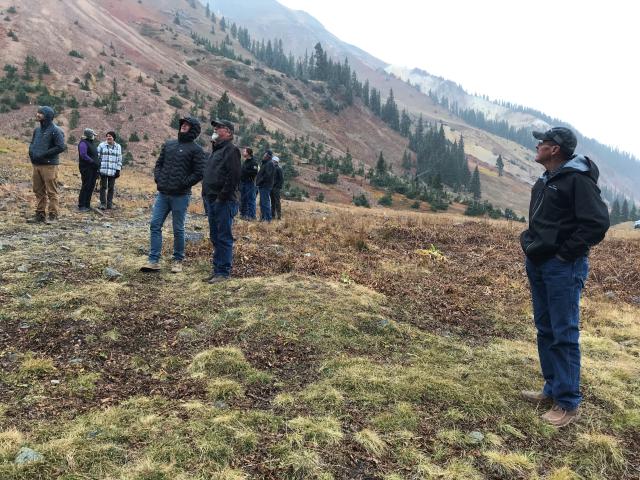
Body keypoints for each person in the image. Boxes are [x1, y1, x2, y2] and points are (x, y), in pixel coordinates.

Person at [520, 127, 609, 427]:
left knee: (564, 333)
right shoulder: (544, 180)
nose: (538, 145)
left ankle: (568, 403)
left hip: (563, 268)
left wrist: (564, 254)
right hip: (539, 264)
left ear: (555, 149)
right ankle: (552, 388)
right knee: (545, 329)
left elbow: (597, 223)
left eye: (542, 142)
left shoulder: (576, 180)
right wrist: (529, 244)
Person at [141, 117, 205, 273]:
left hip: (181, 196)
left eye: (187, 125)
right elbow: (159, 164)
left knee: (178, 229)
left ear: (193, 130)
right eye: (182, 124)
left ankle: (178, 260)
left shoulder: (196, 150)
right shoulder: (169, 144)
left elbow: (199, 173)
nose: (183, 126)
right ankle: (153, 260)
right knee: (155, 225)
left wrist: (182, 183)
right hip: (163, 194)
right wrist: (158, 178)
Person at [202, 119, 241, 283]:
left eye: (220, 127)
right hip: (211, 199)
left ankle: (223, 273)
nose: (216, 129)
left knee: (224, 236)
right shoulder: (217, 150)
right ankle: (217, 270)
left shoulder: (231, 150)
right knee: (215, 235)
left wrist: (221, 198)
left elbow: (233, 177)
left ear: (229, 132)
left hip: (223, 201)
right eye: (215, 127)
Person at [27, 106, 65, 223]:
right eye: (38, 112)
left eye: (41, 113)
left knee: (51, 191)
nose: (38, 115)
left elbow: (60, 147)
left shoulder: (55, 130)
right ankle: (40, 215)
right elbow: (32, 143)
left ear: (48, 116)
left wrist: (43, 155)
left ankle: (53, 216)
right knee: (38, 190)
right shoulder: (37, 130)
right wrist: (31, 153)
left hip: (49, 165)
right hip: (36, 165)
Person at [97, 131, 123, 210]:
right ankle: (103, 203)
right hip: (103, 170)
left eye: (110, 136)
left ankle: (109, 204)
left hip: (113, 171)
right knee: (103, 187)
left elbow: (119, 159)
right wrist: (97, 169)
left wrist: (118, 170)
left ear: (114, 138)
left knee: (111, 187)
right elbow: (97, 157)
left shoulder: (118, 146)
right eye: (107, 136)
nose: (108, 137)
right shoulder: (101, 145)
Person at [77, 128, 100, 212]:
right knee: (86, 185)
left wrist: (97, 164)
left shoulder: (91, 143)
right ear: (89, 135)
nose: (94, 136)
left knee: (91, 186)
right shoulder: (83, 143)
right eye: (93, 135)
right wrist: (92, 162)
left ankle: (87, 204)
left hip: (93, 168)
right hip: (86, 168)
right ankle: (81, 205)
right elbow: (83, 155)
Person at [255, 149, 276, 222]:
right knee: (262, 202)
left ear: (268, 156)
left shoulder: (269, 163)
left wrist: (260, 181)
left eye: (265, 154)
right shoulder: (265, 163)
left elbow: (267, 175)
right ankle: (263, 217)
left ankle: (267, 219)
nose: (263, 155)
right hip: (263, 185)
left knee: (265, 202)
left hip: (265, 185)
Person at [239, 147, 259, 220]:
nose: (243, 152)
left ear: (248, 153)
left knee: (251, 200)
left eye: (244, 151)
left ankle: (252, 216)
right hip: (243, 182)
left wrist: (245, 171)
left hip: (249, 183)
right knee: (243, 199)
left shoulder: (254, 162)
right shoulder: (246, 161)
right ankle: (243, 214)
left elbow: (254, 172)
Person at [270, 155, 284, 220]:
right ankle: (272, 215)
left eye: (272, 160)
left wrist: (277, 187)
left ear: (275, 161)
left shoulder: (279, 169)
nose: (271, 161)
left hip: (276, 188)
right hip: (272, 188)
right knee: (272, 202)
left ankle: (279, 216)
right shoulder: (272, 168)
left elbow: (281, 179)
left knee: (277, 202)